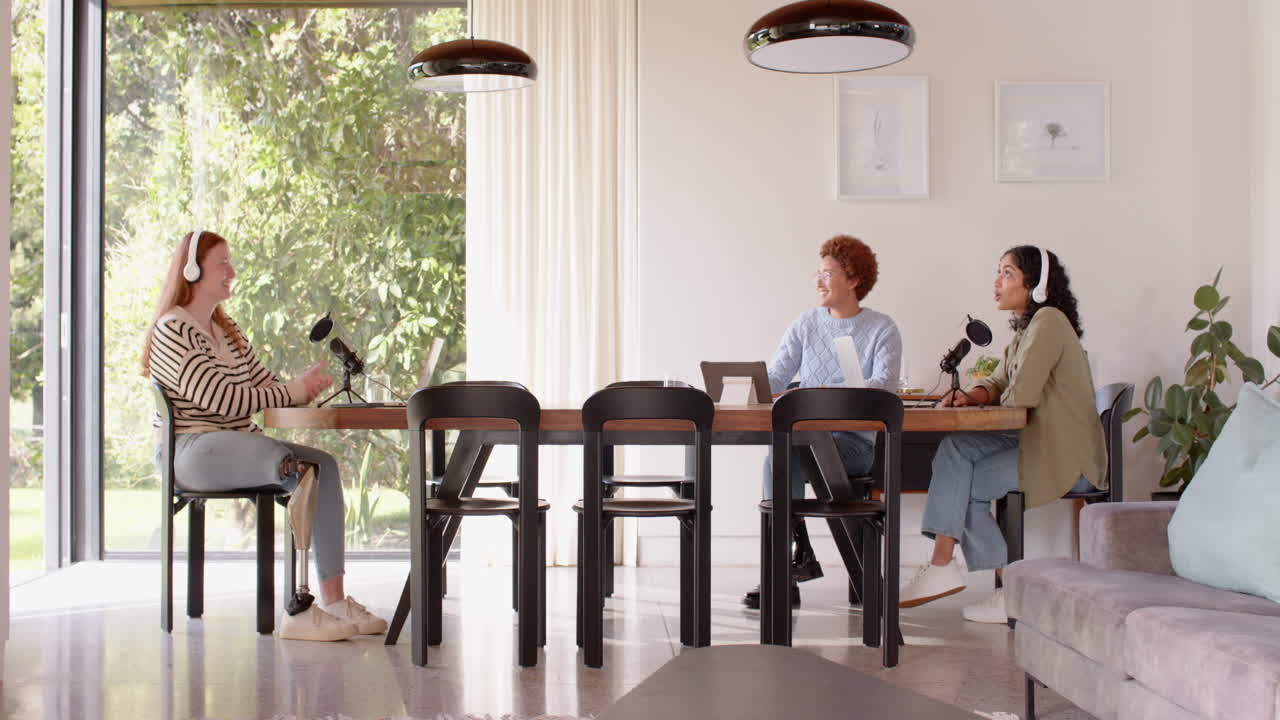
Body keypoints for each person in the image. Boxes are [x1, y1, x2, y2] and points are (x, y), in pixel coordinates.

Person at [142, 230, 388, 642]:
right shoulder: (174, 330)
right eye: (223, 264)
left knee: (322, 466)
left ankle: (333, 599)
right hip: (191, 449)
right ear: (192, 269)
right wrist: (289, 390)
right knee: (301, 467)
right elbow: (220, 400)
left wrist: (300, 386)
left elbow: (260, 385)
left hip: (237, 444)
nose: (232, 272)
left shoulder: (227, 330)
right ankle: (299, 609)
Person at [898, 246, 1106, 624]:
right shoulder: (1030, 328)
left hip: (1063, 456)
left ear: (1035, 285)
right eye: (998, 272)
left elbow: (1021, 395)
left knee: (961, 478)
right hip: (1038, 444)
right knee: (956, 452)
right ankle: (988, 582)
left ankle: (958, 570)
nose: (997, 281)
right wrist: (974, 394)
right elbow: (1001, 379)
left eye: (1007, 273)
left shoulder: (1049, 323)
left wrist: (988, 395)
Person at [743, 235, 903, 609]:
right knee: (781, 454)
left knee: (784, 455)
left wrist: (830, 391)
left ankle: (791, 565)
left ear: (854, 279)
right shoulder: (806, 324)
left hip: (855, 445)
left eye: (827, 273)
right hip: (806, 442)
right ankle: (789, 564)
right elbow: (775, 378)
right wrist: (745, 384)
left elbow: (885, 389)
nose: (818, 281)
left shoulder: (883, 329)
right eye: (817, 273)